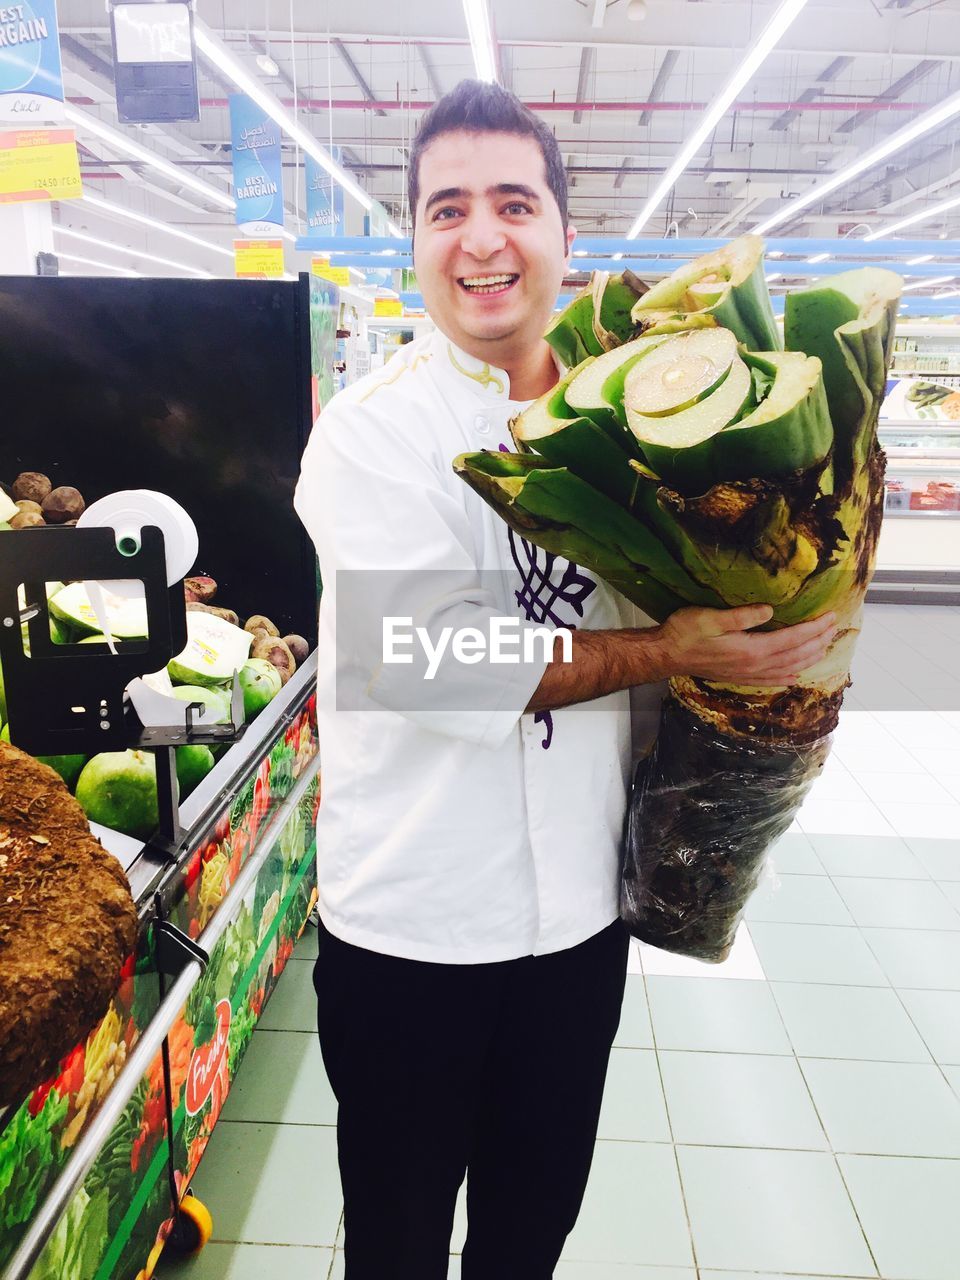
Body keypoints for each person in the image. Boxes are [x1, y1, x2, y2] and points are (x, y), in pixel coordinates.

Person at [294, 80, 836, 1280]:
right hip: (412, 930)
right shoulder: (373, 432)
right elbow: (428, 656)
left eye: (511, 202)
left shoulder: (646, 420)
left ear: (562, 235)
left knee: (532, 1230)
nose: (481, 237)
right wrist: (676, 649)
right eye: (445, 210)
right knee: (394, 1239)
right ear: (416, 243)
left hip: (581, 922)